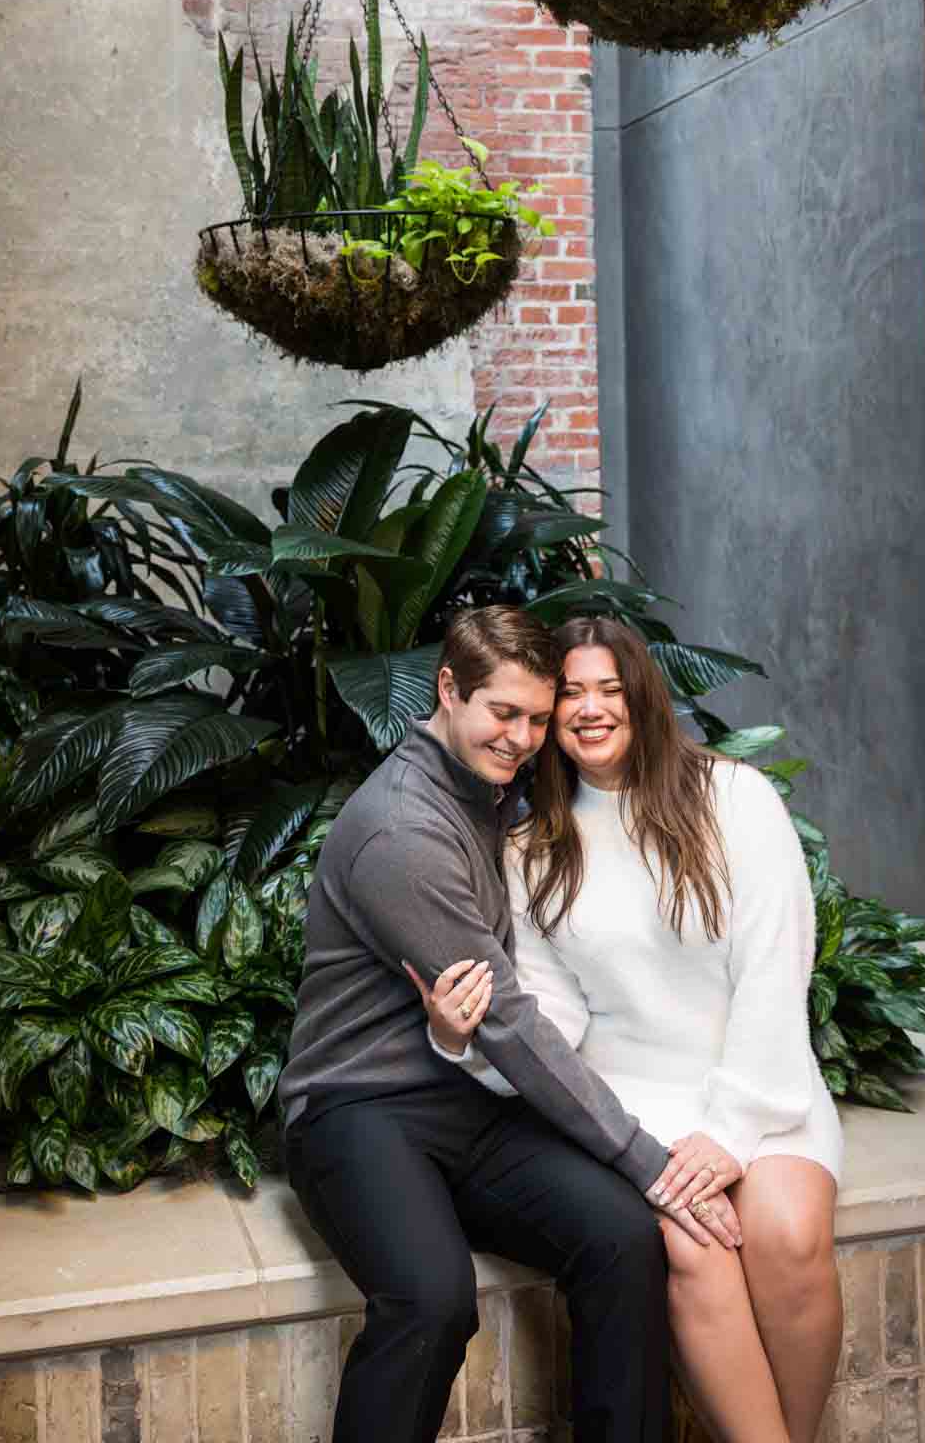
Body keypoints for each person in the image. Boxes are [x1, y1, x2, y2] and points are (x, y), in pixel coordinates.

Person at [279, 604, 740, 1443]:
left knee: (622, 1240)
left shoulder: (495, 794)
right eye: (504, 713)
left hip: (465, 1102)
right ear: (448, 689)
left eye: (536, 717)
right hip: (357, 1110)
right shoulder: (399, 832)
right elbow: (512, 1025)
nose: (524, 737)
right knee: (429, 1299)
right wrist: (646, 1158)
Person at [413, 616, 843, 1443]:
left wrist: (731, 1127)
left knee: (786, 1237)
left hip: (760, 1079)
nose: (589, 709)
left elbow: (773, 968)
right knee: (691, 1251)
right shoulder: (535, 845)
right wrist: (460, 1042)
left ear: (642, 695)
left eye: (609, 689)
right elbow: (550, 1015)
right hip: (636, 1100)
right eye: (569, 693)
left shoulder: (733, 797)